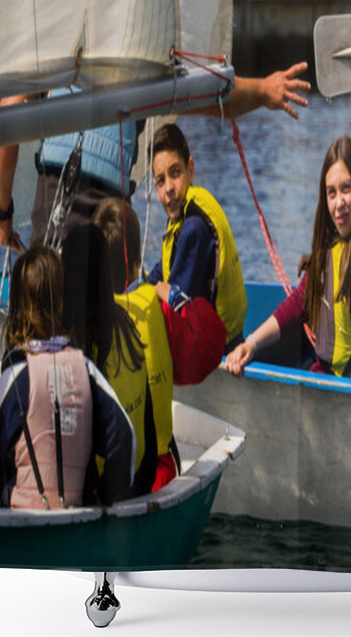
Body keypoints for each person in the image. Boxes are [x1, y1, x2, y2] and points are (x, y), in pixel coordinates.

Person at [0, 63, 311, 251]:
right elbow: (209, 98)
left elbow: (8, 114)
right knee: (105, 338)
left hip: (58, 197)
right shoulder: (142, 57)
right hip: (113, 209)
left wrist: (3, 212)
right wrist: (263, 90)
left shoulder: (57, 48)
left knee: (47, 332)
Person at [226, 132, 351, 380]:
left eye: (346, 189)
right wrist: (251, 344)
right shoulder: (331, 252)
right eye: (331, 193)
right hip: (322, 378)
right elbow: (296, 305)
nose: (339, 203)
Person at [0, 246, 135, 508]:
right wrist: (106, 495)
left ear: (18, 307)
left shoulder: (16, 379)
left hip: (23, 527)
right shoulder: (86, 370)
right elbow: (124, 436)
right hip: (76, 519)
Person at [92, 197, 226, 488]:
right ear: (135, 266)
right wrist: (176, 297)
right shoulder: (156, 306)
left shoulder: (84, 317)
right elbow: (212, 345)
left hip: (97, 481)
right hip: (156, 473)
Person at [61, 224, 157, 498]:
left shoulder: (76, 351)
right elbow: (147, 436)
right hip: (138, 482)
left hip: (103, 494)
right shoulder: (127, 328)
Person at [146, 123, 246, 353]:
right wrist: (138, 289)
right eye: (161, 181)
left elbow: (173, 307)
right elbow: (161, 271)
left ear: (190, 170)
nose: (169, 188)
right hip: (227, 341)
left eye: (175, 173)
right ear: (155, 186)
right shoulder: (180, 223)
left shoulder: (194, 228)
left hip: (218, 353)